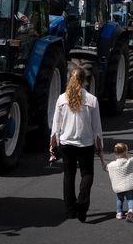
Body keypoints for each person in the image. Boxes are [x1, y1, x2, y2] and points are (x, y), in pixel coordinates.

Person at [50, 66, 105, 222]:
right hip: (85, 143)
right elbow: (97, 127)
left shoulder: (61, 99)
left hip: (66, 143)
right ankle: (82, 203)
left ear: (70, 79)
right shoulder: (92, 100)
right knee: (87, 174)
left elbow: (56, 125)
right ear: (84, 80)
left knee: (69, 175)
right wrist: (99, 146)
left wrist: (53, 144)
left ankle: (70, 210)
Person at [105, 142, 133, 222]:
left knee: (119, 200)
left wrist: (101, 157)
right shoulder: (130, 161)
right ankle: (130, 210)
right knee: (130, 198)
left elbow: (106, 167)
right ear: (126, 152)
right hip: (129, 186)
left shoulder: (112, 164)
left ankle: (119, 213)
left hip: (118, 187)